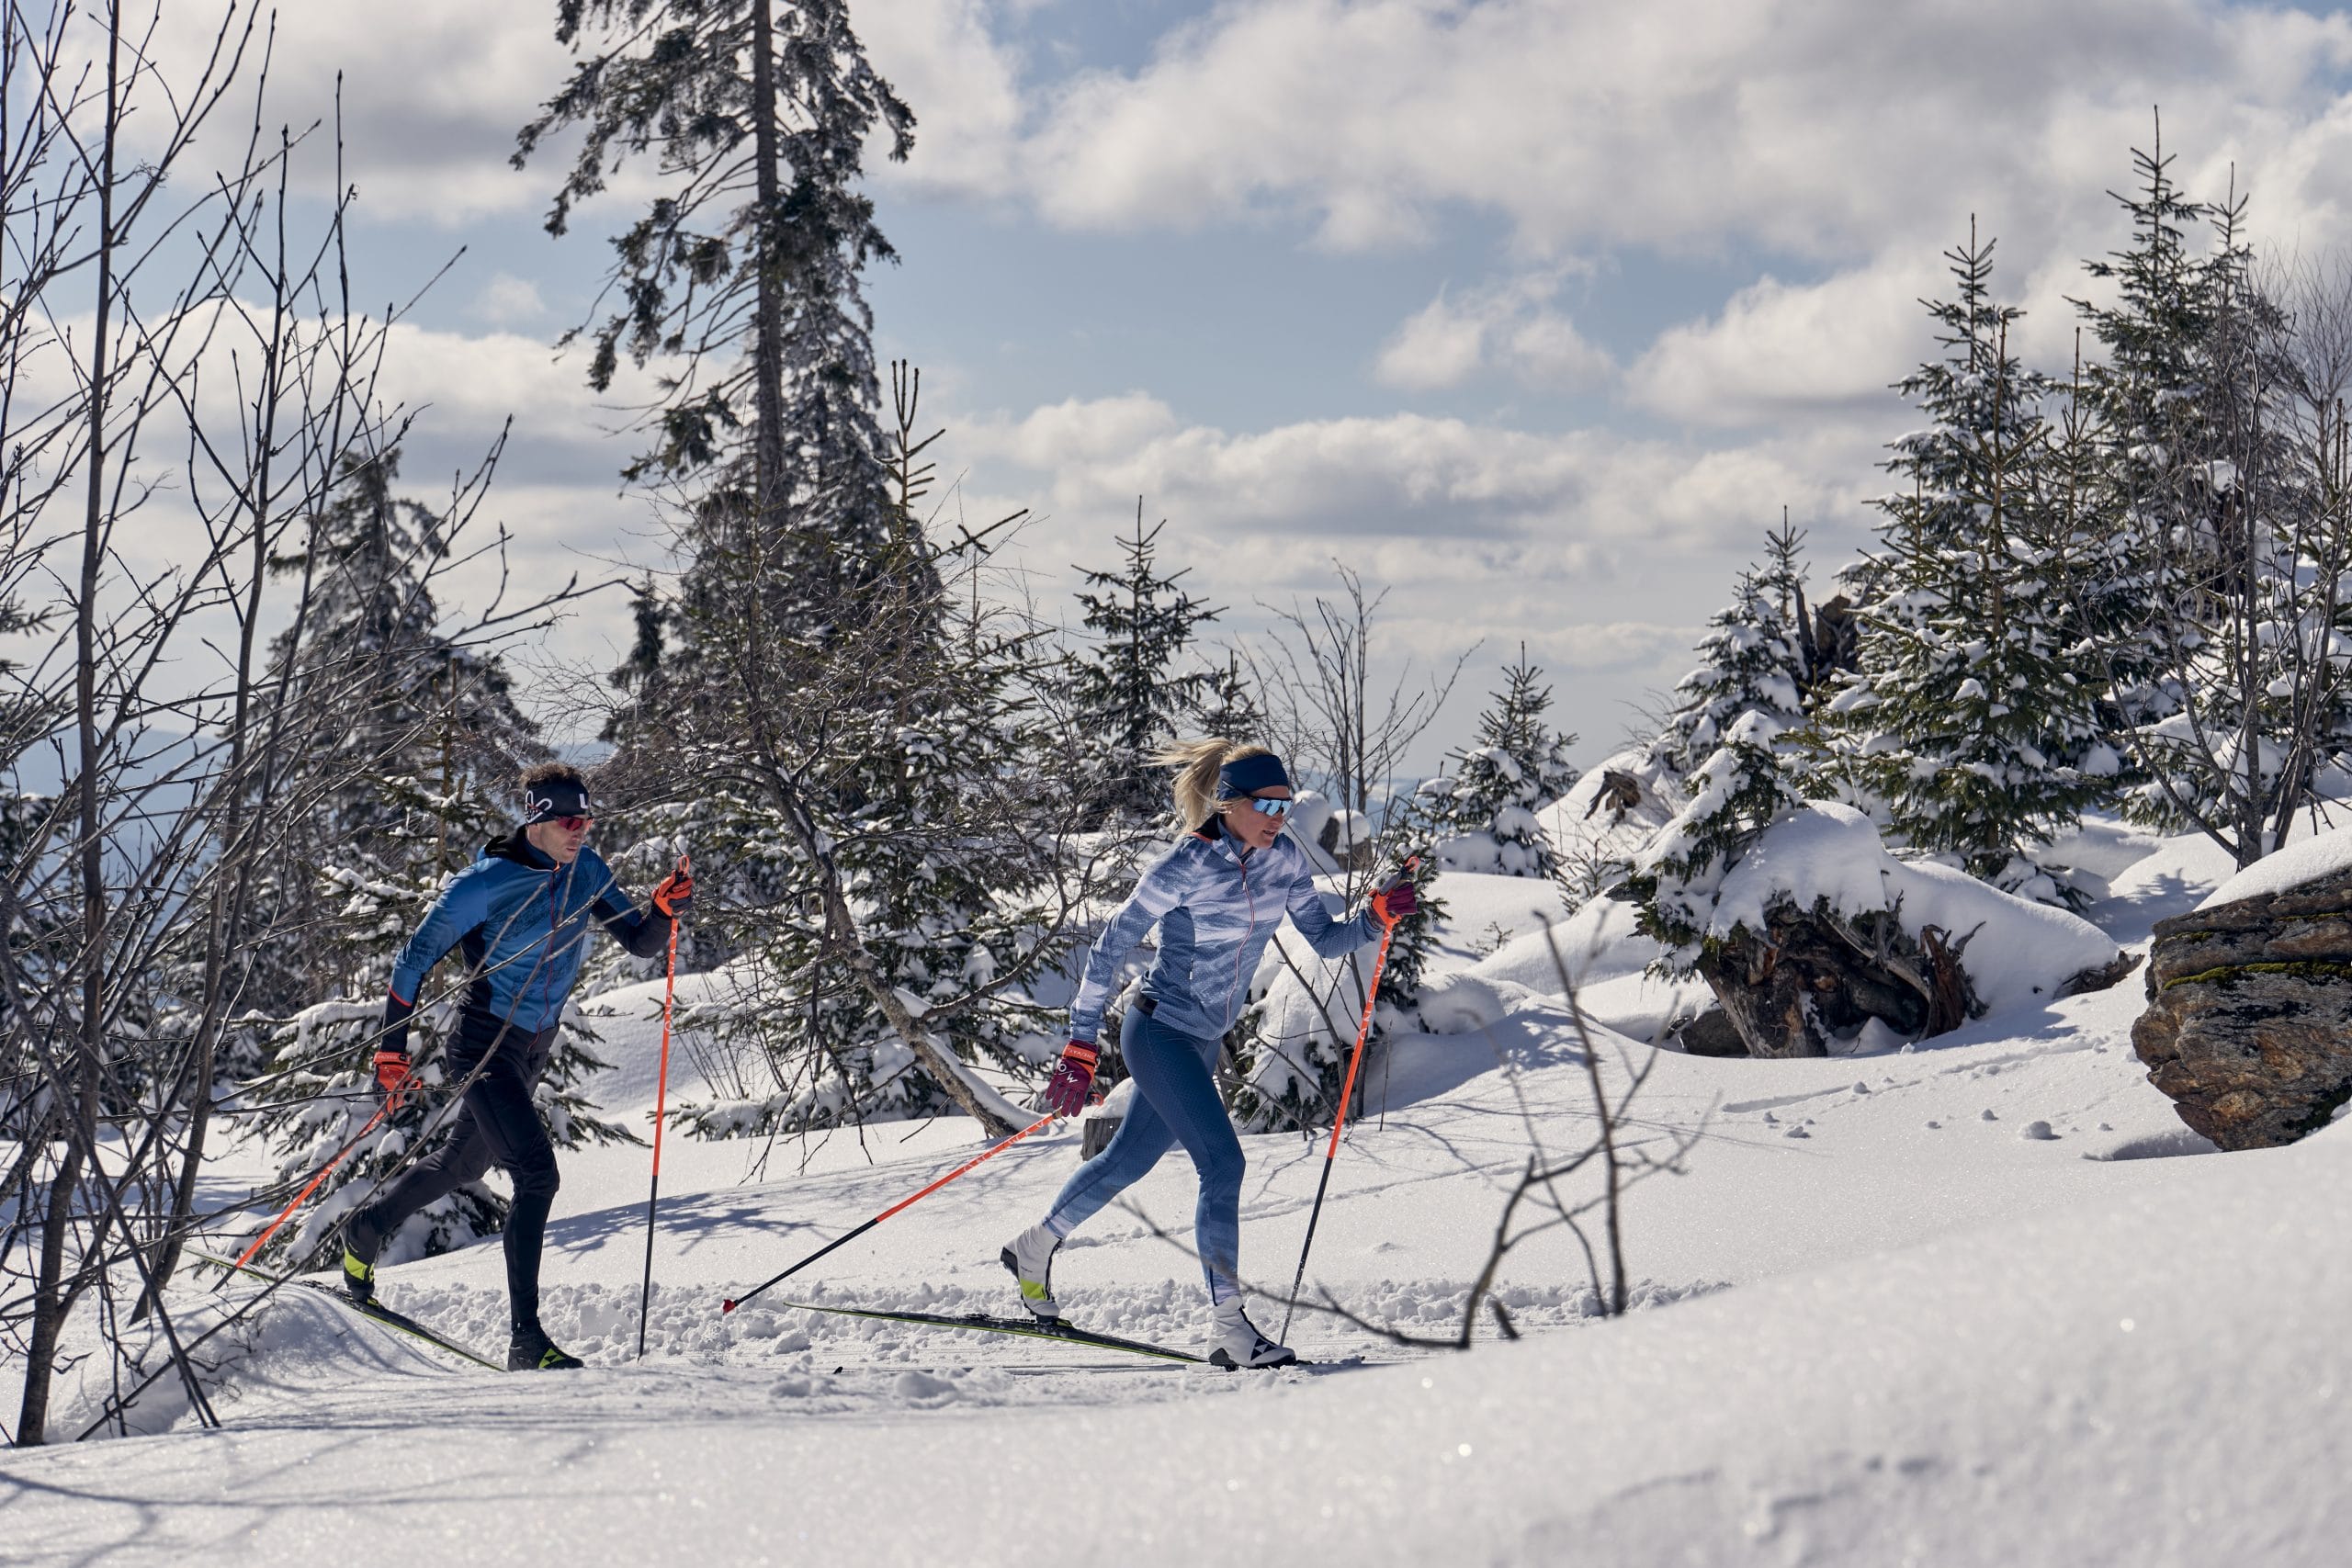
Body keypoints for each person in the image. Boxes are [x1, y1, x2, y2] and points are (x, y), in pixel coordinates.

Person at [1000, 739, 1417, 1369]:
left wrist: (1376, 916)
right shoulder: (1186, 864)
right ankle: (1229, 1327)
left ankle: (1033, 1247)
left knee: (1124, 1162)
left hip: (1200, 1040)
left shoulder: (1284, 862)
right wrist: (1082, 1038)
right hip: (1158, 1030)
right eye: (1266, 803)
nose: (1279, 815)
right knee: (1223, 1165)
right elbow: (1112, 943)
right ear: (1229, 804)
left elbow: (1328, 938)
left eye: (1285, 802)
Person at [340, 761, 693, 1371]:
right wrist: (390, 1051)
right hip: (483, 1044)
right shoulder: (484, 883)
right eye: (569, 820)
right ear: (537, 818)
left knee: (462, 1163)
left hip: (533, 1046)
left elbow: (637, 940)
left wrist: (662, 910)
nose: (581, 829)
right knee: (537, 1174)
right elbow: (412, 959)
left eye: (586, 818)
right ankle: (526, 1338)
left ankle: (366, 1229)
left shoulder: (585, 869)